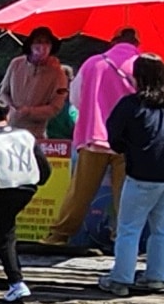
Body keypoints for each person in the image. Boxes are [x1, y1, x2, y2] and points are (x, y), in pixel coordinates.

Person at [52, 28, 142, 244]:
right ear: (136, 44)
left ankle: (59, 234)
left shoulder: (93, 63)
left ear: (113, 42)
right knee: (124, 194)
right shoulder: (142, 64)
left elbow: (75, 98)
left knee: (80, 191)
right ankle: (122, 236)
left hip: (95, 137)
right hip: (128, 141)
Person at [104, 56, 164, 296]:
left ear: (137, 77)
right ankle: (157, 276)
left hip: (141, 175)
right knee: (163, 229)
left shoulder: (130, 104)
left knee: (129, 228)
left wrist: (126, 148)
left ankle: (121, 279)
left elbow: (114, 137)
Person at [0, 102, 51, 303]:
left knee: (7, 233)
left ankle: (16, 282)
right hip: (28, 187)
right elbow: (44, 166)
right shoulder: (25, 135)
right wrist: (38, 182)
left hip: (4, 188)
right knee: (4, 224)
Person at [0, 28, 71, 140]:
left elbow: (56, 107)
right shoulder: (15, 64)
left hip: (37, 134)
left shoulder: (58, 73)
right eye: (38, 42)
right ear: (30, 45)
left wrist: (28, 112)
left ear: (51, 47)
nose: (42, 46)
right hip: (10, 129)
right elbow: (3, 93)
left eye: (47, 43)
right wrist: (10, 108)